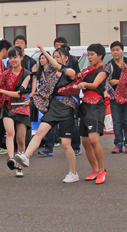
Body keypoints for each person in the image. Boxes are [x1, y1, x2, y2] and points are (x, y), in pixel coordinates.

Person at [15, 45, 79, 183]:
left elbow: (57, 66)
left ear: (66, 58)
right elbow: (43, 90)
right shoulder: (51, 74)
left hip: (67, 107)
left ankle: (73, 172)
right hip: (54, 107)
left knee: (66, 144)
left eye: (58, 57)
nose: (55, 60)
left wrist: (44, 51)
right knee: (39, 132)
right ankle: (26, 156)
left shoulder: (71, 71)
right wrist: (31, 100)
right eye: (54, 57)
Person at [38, 37, 82, 156]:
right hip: (55, 100)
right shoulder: (53, 64)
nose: (58, 47)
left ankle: (76, 147)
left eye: (61, 45)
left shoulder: (71, 61)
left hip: (69, 98)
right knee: (49, 124)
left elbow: (76, 76)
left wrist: (43, 50)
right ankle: (48, 148)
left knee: (72, 124)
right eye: (56, 45)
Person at [0, 47, 31, 177]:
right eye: (10, 57)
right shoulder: (5, 73)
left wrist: (2, 91)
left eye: (15, 57)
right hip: (7, 107)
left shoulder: (27, 74)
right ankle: (11, 159)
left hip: (21, 106)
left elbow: (20, 92)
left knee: (21, 139)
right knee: (10, 132)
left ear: (21, 57)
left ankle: (19, 166)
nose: (12, 60)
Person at [78, 44, 108, 184]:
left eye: (92, 54)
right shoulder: (86, 70)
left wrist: (83, 83)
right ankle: (95, 170)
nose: (89, 57)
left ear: (100, 55)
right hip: (84, 105)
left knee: (94, 139)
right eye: (88, 55)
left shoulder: (103, 70)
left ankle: (102, 170)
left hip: (96, 105)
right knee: (85, 142)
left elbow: (95, 85)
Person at [105, 41, 127, 153]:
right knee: (117, 121)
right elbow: (106, 81)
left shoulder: (126, 62)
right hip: (114, 98)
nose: (115, 52)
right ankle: (118, 143)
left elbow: (115, 81)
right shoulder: (109, 65)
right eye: (113, 50)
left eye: (117, 50)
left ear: (122, 51)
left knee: (126, 120)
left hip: (126, 97)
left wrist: (119, 81)